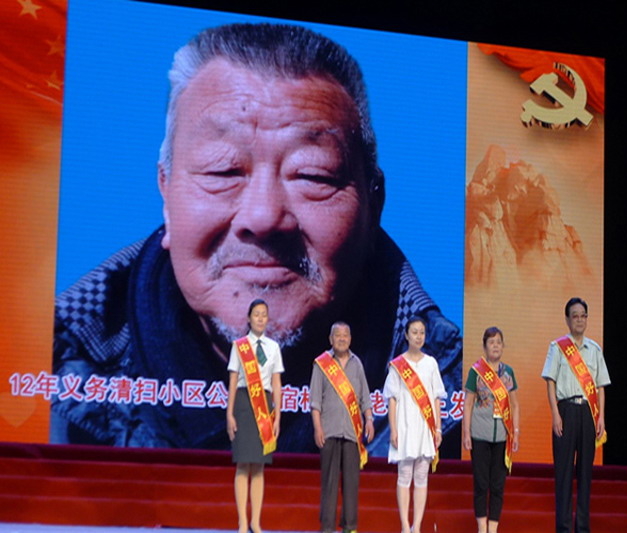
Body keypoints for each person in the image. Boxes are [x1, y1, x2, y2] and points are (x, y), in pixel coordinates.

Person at [50, 22, 462, 452]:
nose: (264, 217)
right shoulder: (49, 372)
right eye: (223, 170)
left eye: (312, 175)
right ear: (166, 194)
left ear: (373, 206)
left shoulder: (458, 398)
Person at [541, 297, 610, 533]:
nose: (579, 320)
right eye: (575, 316)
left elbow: (600, 387)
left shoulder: (595, 349)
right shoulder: (557, 347)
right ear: (567, 320)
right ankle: (563, 527)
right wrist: (555, 414)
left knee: (585, 473)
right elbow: (550, 382)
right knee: (563, 472)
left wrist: (601, 417)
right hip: (566, 411)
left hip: (589, 413)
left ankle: (582, 527)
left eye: (583, 316)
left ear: (586, 319)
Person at [310, 321, 375, 533]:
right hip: (328, 430)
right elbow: (315, 402)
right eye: (337, 335)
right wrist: (317, 428)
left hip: (352, 432)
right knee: (329, 482)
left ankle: (350, 526)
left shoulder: (357, 364)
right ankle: (327, 527)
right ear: (331, 339)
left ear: (350, 339)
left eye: (345, 335)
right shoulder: (321, 364)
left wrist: (369, 420)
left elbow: (365, 398)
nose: (342, 338)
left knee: (351, 482)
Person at [226, 299, 283, 533]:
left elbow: (276, 383)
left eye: (264, 314)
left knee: (259, 466)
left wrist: (277, 415)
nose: (260, 318)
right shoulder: (239, 346)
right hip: (242, 403)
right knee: (242, 464)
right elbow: (233, 380)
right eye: (256, 314)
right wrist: (229, 414)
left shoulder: (274, 347)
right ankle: (242, 522)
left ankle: (255, 523)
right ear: (249, 318)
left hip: (264, 407)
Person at [384, 317, 446, 533]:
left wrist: (438, 428)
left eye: (422, 332)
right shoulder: (398, 365)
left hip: (425, 427)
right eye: (414, 332)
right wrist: (393, 429)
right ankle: (404, 525)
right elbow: (392, 399)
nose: (418, 336)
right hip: (405, 426)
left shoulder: (431, 363)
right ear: (406, 335)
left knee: (421, 476)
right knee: (404, 475)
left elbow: (436, 398)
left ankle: (416, 526)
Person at [463, 326, 520, 533]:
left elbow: (514, 405)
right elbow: (468, 403)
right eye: (491, 342)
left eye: (498, 342)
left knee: (497, 485)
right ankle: (481, 527)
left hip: (502, 436)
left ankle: (493, 528)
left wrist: (516, 432)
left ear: (503, 346)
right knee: (481, 483)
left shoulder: (508, 373)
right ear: (485, 346)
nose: (495, 346)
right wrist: (466, 433)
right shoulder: (476, 371)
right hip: (479, 434)